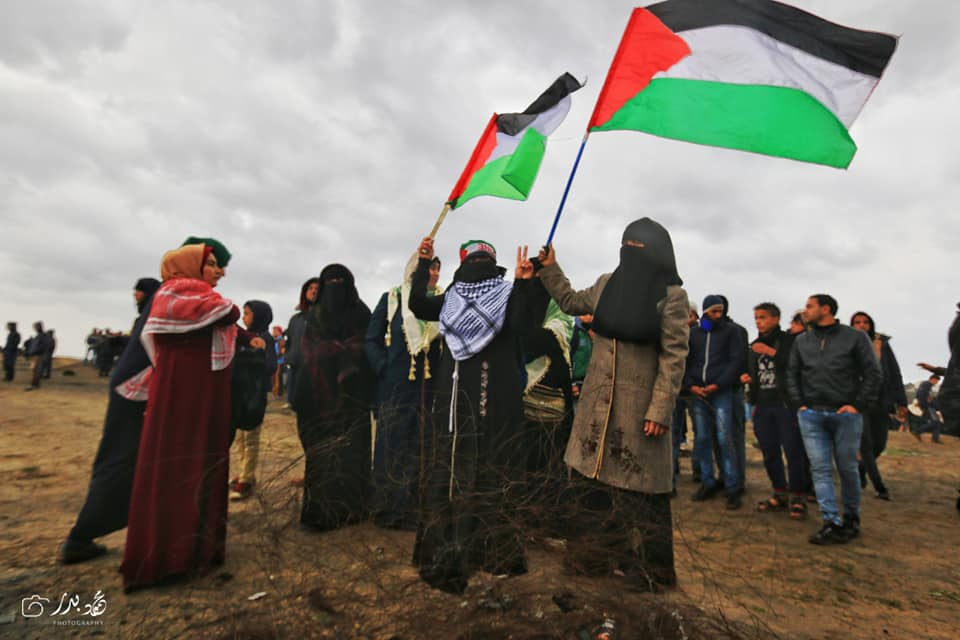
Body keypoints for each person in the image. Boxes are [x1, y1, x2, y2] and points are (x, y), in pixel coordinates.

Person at [537, 218, 689, 592]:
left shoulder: (671, 298)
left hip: (639, 410)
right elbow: (571, 301)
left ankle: (653, 572)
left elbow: (674, 357)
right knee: (592, 487)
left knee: (642, 493)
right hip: (596, 407)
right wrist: (550, 268)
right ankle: (593, 559)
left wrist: (659, 409)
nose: (630, 252)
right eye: (626, 244)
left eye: (638, 246)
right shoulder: (607, 283)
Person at [121, 240, 264, 590]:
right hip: (184, 391)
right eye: (212, 264)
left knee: (203, 459)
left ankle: (198, 551)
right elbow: (225, 312)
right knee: (178, 460)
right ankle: (166, 555)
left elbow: (227, 321)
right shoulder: (177, 291)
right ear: (189, 266)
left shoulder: (197, 295)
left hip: (206, 390)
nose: (220, 271)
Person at [409, 238, 534, 594]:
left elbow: (525, 325)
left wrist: (525, 282)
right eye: (474, 259)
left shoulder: (508, 294)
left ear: (493, 264)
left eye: (484, 259)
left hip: (498, 405)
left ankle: (496, 553)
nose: (478, 265)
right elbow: (418, 303)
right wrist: (422, 265)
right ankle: (453, 547)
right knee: (453, 470)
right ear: (464, 264)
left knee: (496, 469)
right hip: (456, 404)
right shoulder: (451, 299)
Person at [58, 278, 161, 564]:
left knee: (122, 461)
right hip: (133, 395)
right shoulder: (154, 310)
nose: (135, 294)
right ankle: (80, 538)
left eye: (139, 290)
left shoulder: (149, 312)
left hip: (131, 393)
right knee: (121, 462)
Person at [786, 294, 881, 545]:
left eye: (810, 306)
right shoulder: (802, 341)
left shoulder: (855, 338)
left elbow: (873, 373)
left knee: (848, 468)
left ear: (825, 309)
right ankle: (830, 521)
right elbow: (792, 373)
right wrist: (800, 405)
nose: (805, 311)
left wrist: (857, 405)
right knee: (820, 469)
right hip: (812, 415)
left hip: (845, 414)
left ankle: (851, 519)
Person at [290, 264, 373, 532]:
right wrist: (336, 354)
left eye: (341, 280)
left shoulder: (361, 312)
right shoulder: (314, 315)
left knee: (353, 451)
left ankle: (353, 509)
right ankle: (320, 514)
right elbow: (307, 351)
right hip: (321, 396)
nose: (336, 286)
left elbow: (369, 345)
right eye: (331, 281)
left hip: (354, 394)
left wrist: (350, 355)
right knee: (323, 455)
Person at [365, 255, 443, 530]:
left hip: (429, 389)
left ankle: (414, 509)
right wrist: (384, 366)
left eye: (436, 269)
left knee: (421, 445)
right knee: (391, 445)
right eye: (429, 268)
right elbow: (371, 339)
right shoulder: (392, 298)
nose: (433, 274)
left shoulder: (441, 302)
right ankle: (388, 509)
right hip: (395, 386)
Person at [744, 303, 809, 519]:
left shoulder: (791, 341)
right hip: (762, 405)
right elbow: (750, 371)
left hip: (785, 405)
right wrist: (746, 379)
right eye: (756, 318)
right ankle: (779, 492)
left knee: (793, 452)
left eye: (762, 317)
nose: (758, 322)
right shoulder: (754, 346)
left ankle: (798, 496)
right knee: (769, 451)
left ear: (776, 318)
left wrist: (771, 352)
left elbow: (796, 366)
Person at [519, 280, 574, 535]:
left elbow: (539, 341)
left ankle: (550, 525)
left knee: (551, 468)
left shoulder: (560, 316)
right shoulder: (526, 308)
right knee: (528, 466)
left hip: (553, 406)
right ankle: (528, 521)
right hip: (525, 404)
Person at [684, 295, 746, 509]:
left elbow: (736, 361)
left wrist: (718, 384)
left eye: (721, 311)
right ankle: (707, 482)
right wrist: (690, 385)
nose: (719, 315)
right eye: (714, 311)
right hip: (698, 393)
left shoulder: (731, 332)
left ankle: (732, 486)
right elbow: (685, 360)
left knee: (724, 438)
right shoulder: (694, 334)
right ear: (705, 311)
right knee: (702, 438)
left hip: (721, 392)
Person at [850, 311, 907, 498]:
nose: (861, 325)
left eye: (865, 322)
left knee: (879, 444)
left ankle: (861, 468)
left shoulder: (882, 344)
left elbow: (894, 373)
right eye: (857, 322)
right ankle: (880, 487)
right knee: (865, 444)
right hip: (858, 401)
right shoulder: (847, 344)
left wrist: (901, 402)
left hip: (881, 401)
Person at [229, 300, 277, 500]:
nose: (244, 317)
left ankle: (247, 479)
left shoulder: (265, 338)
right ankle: (243, 473)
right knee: (239, 437)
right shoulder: (244, 337)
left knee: (251, 437)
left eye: (247, 313)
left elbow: (270, 366)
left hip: (254, 395)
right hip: (240, 392)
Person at [285, 278, 319, 411]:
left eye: (317, 289)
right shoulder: (295, 319)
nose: (313, 291)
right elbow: (289, 342)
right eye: (310, 288)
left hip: (316, 372)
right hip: (296, 369)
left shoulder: (326, 317)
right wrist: (289, 358)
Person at [914, 373, 943, 443]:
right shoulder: (926, 385)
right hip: (928, 406)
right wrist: (923, 405)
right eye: (936, 381)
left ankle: (935, 439)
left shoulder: (928, 386)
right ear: (932, 379)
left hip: (930, 406)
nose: (936, 382)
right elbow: (920, 395)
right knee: (935, 422)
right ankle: (918, 431)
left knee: (937, 422)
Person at [25, 322, 51, 390]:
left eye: (36, 327)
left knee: (37, 371)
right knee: (34, 370)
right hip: (35, 355)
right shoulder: (38, 336)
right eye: (35, 327)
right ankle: (35, 385)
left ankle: (33, 385)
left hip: (40, 355)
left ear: (40, 327)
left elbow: (44, 346)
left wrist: (36, 352)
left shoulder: (45, 336)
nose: (35, 328)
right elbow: (34, 346)